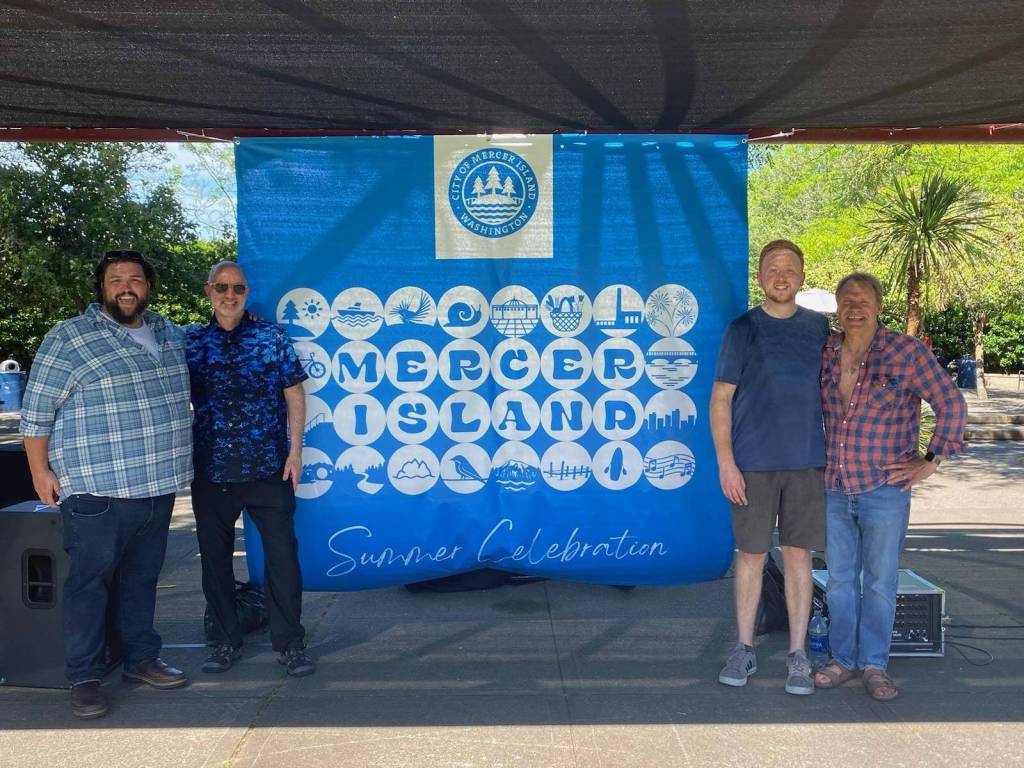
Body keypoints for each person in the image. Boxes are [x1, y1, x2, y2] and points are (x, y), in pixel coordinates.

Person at [20, 250, 192, 720]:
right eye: (116, 279)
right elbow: (36, 414)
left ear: (149, 287)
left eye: (135, 279)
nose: (126, 287)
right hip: (97, 490)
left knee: (140, 581)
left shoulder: (169, 333)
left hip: (158, 486)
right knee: (89, 586)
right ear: (101, 286)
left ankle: (141, 658)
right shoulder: (69, 338)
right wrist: (40, 472)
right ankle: (85, 677)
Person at [813, 272, 966, 701]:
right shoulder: (825, 352)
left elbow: (951, 403)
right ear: (838, 309)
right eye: (846, 301)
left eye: (863, 300)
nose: (854, 307)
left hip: (884, 489)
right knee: (840, 579)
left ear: (880, 305)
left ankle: (875, 665)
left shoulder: (906, 352)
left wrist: (931, 460)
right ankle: (843, 660)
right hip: (833, 485)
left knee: (880, 580)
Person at [711, 240, 831, 696]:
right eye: (773, 269)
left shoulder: (819, 328)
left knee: (799, 556)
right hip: (753, 466)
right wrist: (727, 463)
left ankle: (798, 655)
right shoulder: (742, 329)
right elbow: (721, 399)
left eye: (790, 269)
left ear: (802, 276)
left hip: (806, 463)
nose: (782, 276)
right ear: (760, 277)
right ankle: (743, 647)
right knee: (752, 558)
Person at [185, 260, 314, 677]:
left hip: (267, 470)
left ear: (246, 293)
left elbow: (294, 394)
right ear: (208, 291)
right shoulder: (190, 342)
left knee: (283, 560)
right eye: (221, 287)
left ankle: (290, 644)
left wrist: (295, 452)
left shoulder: (271, 337)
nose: (229, 295)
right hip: (212, 472)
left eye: (237, 288)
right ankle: (224, 642)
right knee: (215, 563)